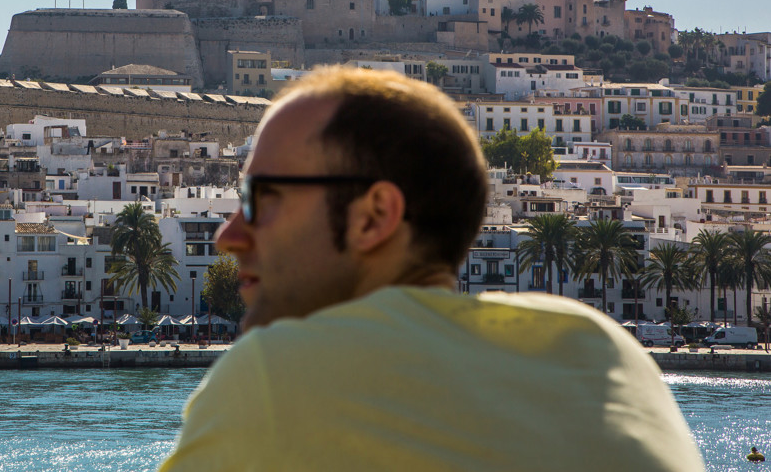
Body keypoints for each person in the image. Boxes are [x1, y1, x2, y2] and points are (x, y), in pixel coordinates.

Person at [159, 66, 704, 471]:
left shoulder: (270, 378)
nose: (229, 236)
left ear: (374, 216)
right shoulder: (606, 356)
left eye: (262, 197)